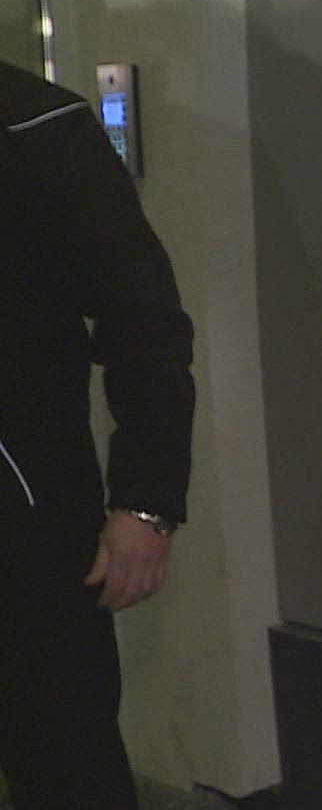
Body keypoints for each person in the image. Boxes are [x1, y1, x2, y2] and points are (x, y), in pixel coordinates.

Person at [0, 57, 194, 809]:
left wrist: (145, 502)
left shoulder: (38, 125)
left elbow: (144, 321)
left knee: (65, 762)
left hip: (28, 529)